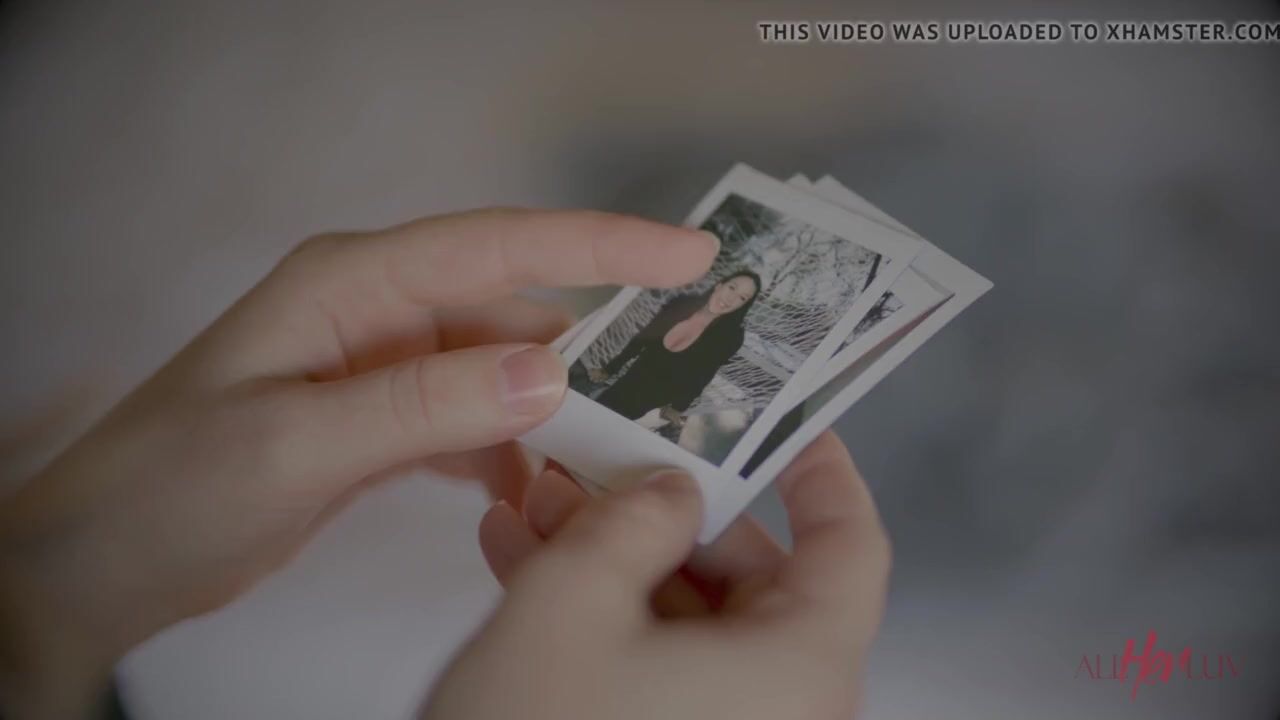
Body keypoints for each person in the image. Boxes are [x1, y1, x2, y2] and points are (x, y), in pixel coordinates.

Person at [0, 209, 890, 720]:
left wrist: (47, 606)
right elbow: (645, 348)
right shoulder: (672, 310)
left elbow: (694, 374)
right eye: (726, 284)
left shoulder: (726, 335)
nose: (727, 292)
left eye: (737, 291)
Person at [587, 269, 762, 430]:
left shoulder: (730, 337)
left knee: (609, 424)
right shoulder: (682, 304)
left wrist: (679, 407)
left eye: (742, 298)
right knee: (596, 412)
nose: (731, 299)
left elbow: (704, 374)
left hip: (656, 397)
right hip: (632, 377)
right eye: (732, 287)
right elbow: (643, 339)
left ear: (743, 306)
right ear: (719, 286)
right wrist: (609, 369)